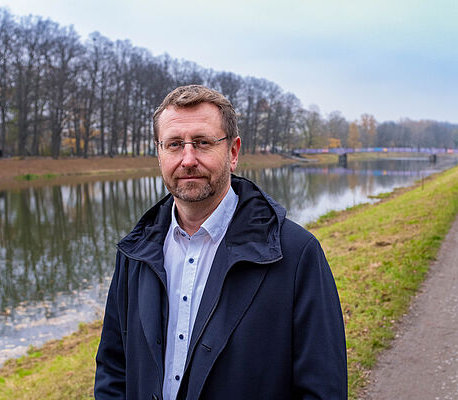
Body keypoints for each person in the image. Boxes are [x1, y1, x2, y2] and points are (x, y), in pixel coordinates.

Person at [94, 85, 348, 399]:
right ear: (159, 153)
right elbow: (112, 370)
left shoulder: (295, 254)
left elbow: (322, 388)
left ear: (233, 152)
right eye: (174, 144)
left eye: (202, 143)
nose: (188, 159)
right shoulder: (135, 253)